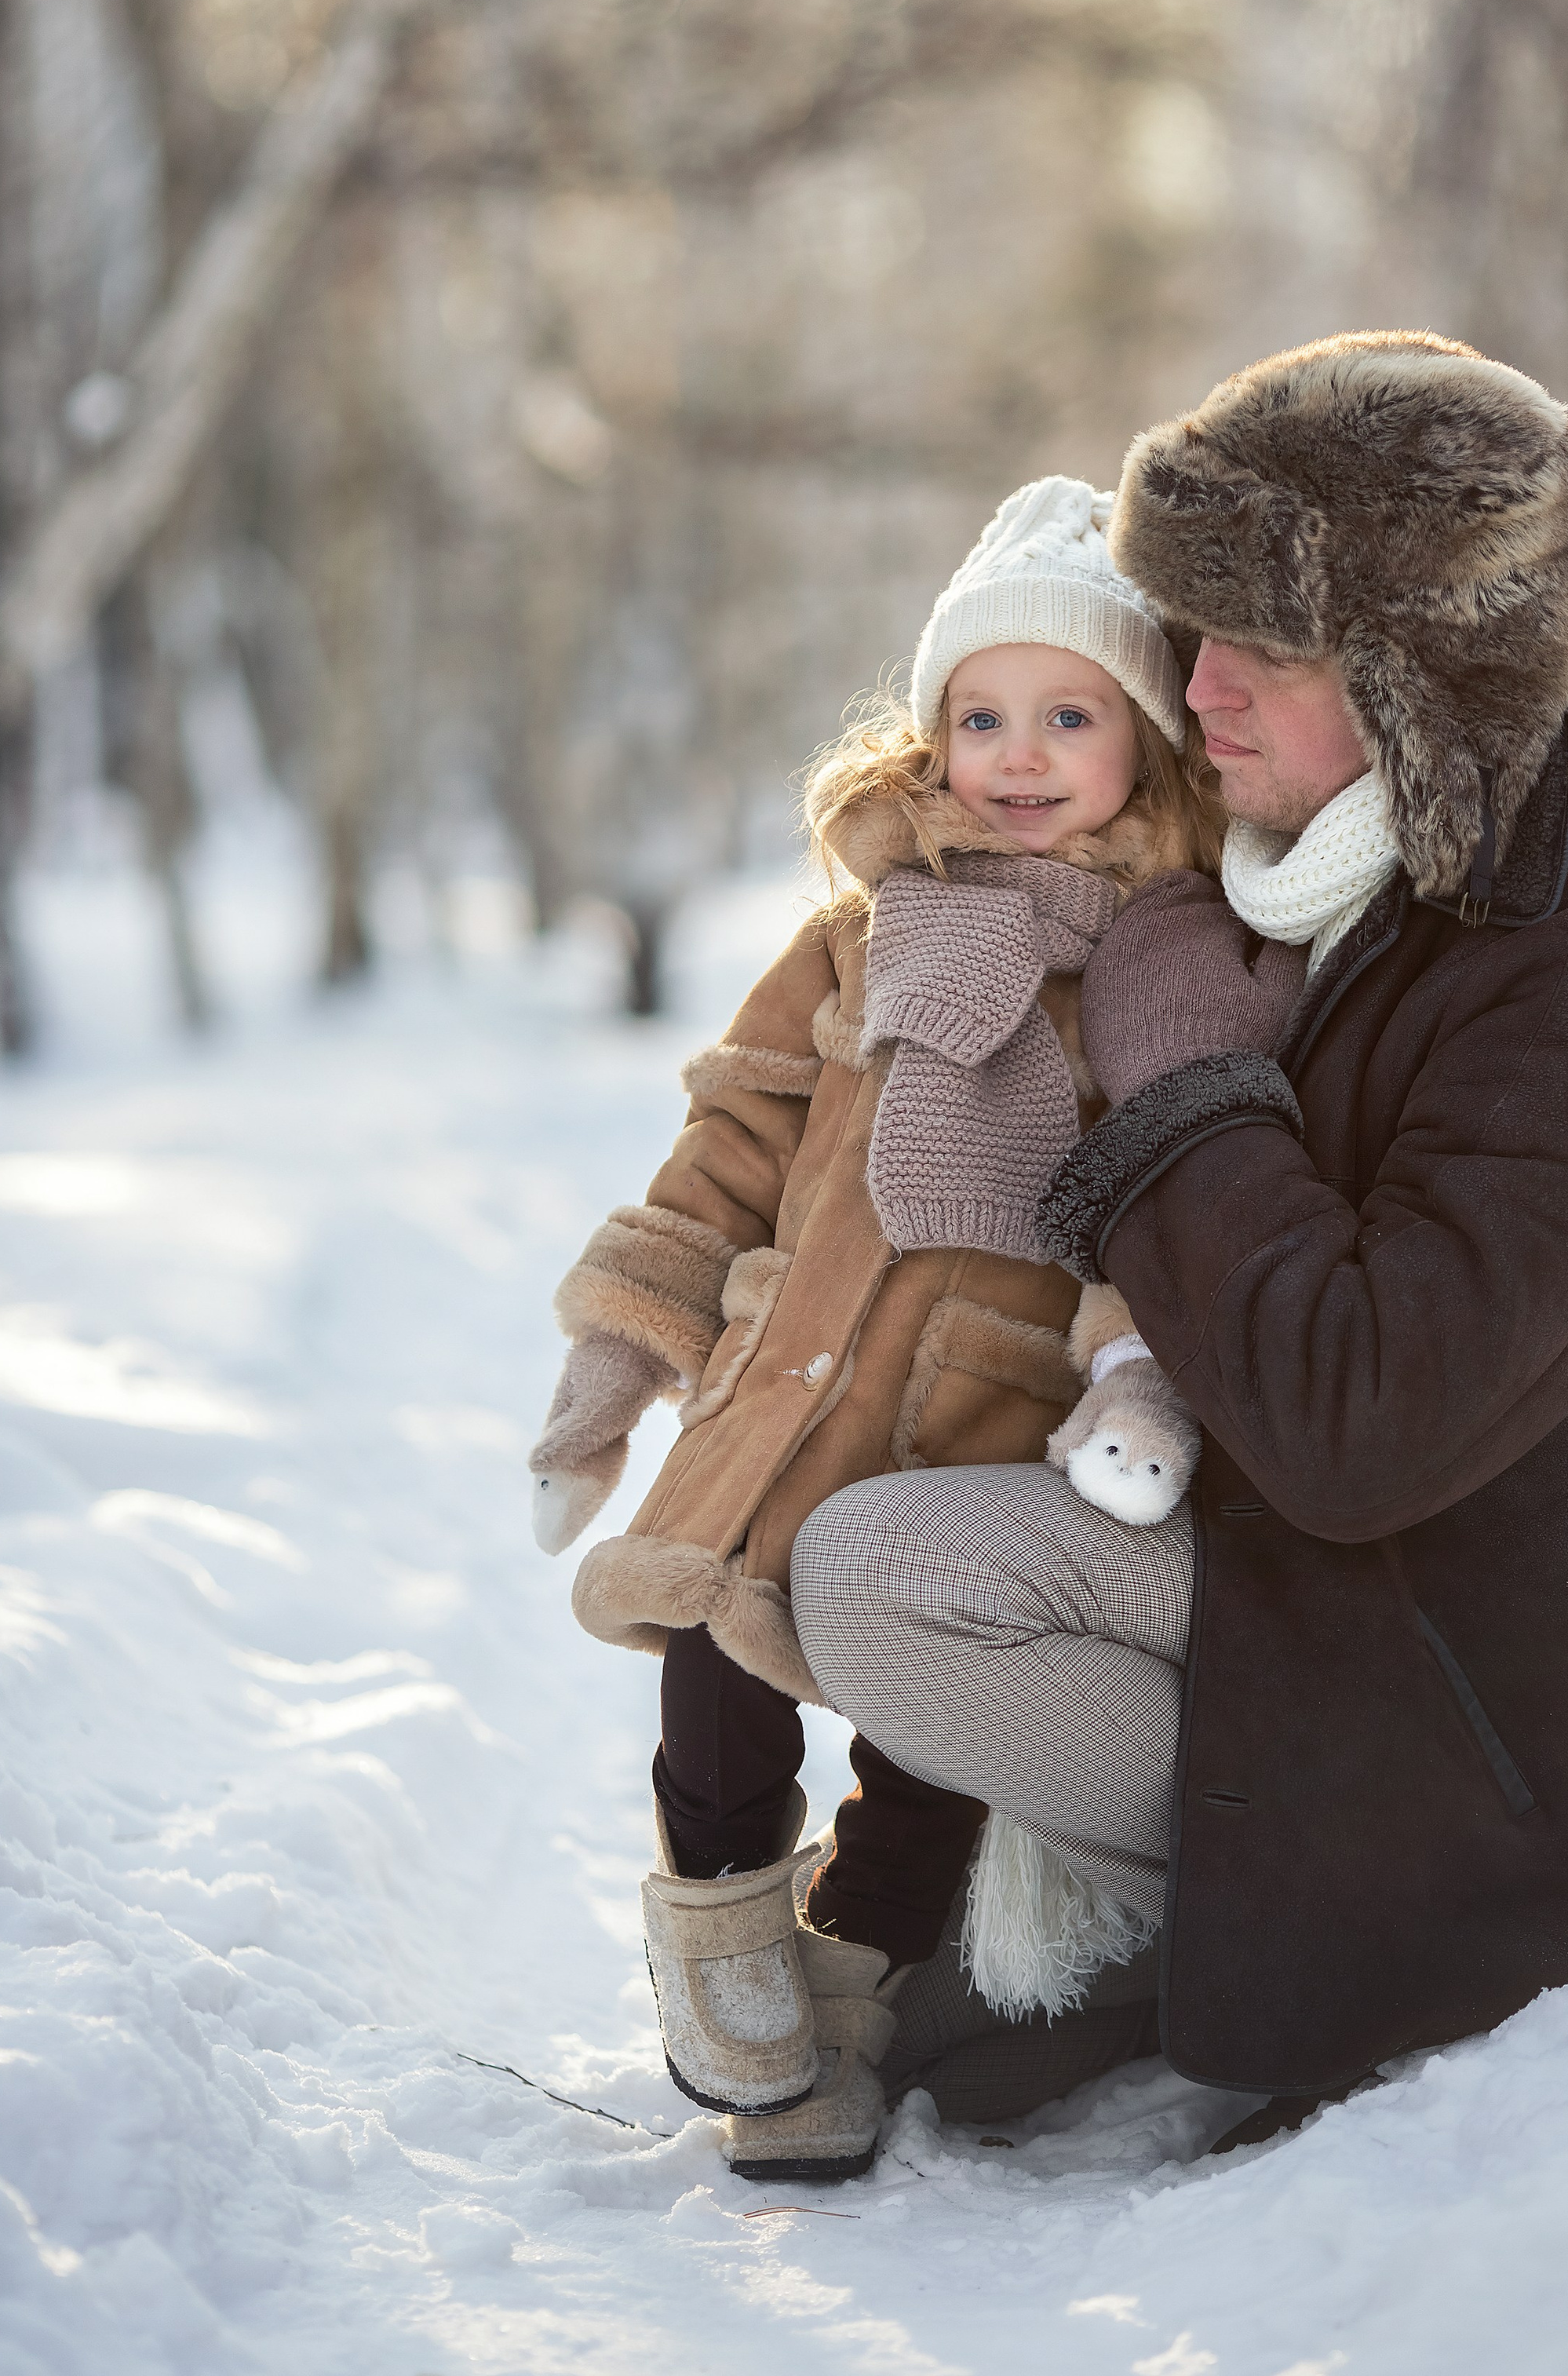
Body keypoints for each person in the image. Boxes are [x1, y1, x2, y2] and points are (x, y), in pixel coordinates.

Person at [786, 330, 1568, 2148]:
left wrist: (1179, 1088)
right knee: (856, 1548)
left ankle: (1210, 1922)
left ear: (1421, 679)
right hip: (1365, 1607)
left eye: (1261, 646)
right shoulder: (1296, 889)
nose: (1197, 689)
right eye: (1193, 635)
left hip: (1538, 1739)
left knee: (890, 1572)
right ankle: (1134, 1914)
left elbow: (1357, 1421)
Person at [527, 476, 1223, 2180]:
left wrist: (1136, 1364)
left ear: (1143, 739)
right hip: (790, 1376)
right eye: (978, 714)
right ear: (927, 735)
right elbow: (731, 1140)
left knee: (922, 1744)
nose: (1019, 751)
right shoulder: (851, 934)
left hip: (981, 1417)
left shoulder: (1157, 958)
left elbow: (1170, 1190)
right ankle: (726, 1951)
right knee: (710, 1655)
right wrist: (624, 1344)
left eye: (1069, 714)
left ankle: (850, 1985)